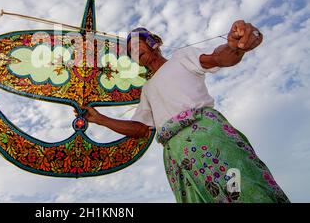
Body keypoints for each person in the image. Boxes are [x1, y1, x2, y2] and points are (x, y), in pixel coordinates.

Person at [76, 20, 290, 203]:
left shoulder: (181, 58)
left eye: (137, 44)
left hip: (208, 136)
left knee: (243, 189)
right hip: (176, 154)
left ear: (153, 43)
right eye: (130, 50)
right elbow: (141, 129)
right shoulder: (148, 89)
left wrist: (235, 47)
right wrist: (100, 119)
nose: (134, 50)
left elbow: (217, 58)